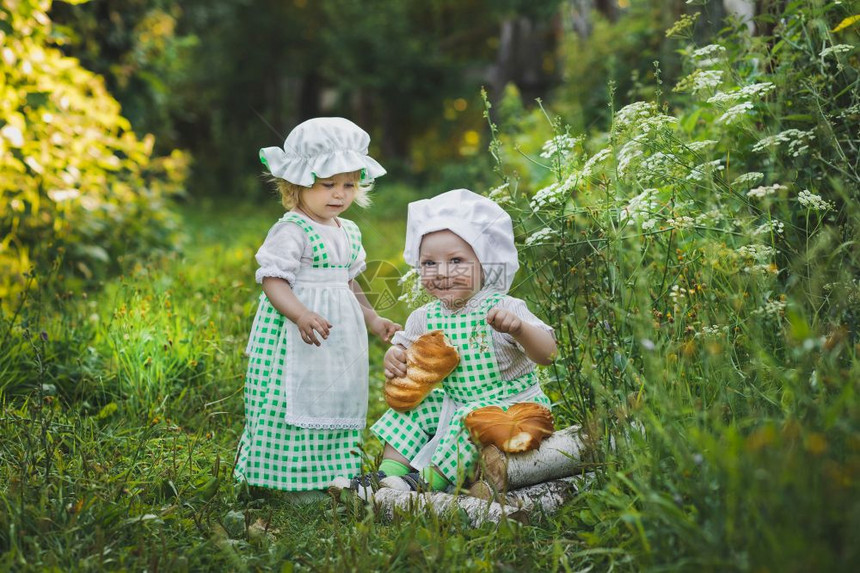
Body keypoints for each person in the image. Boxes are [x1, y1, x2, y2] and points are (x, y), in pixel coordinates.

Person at [333, 188, 557, 496]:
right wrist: (395, 358)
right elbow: (405, 349)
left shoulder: (506, 308)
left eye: (456, 261)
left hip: (514, 406)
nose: (442, 273)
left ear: (485, 263)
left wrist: (519, 329)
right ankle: (388, 475)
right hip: (459, 405)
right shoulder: (424, 317)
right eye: (429, 264)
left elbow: (548, 353)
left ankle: (428, 482)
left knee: (468, 418)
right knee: (413, 409)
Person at [234, 117, 401, 501]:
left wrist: (373, 318)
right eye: (328, 184)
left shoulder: (348, 231)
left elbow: (349, 281)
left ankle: (331, 477)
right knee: (288, 401)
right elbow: (273, 279)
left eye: (348, 184)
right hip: (297, 336)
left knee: (337, 396)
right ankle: (284, 482)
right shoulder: (292, 229)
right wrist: (300, 313)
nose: (339, 194)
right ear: (297, 183)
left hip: (337, 338)